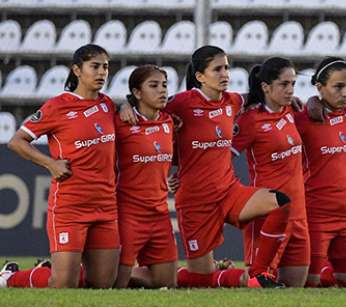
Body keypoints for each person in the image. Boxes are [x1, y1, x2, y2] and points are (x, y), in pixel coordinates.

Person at [120, 46, 288, 288]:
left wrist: (299, 102)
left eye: (227, 68)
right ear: (199, 76)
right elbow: (144, 105)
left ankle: (260, 275)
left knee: (280, 203)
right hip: (195, 201)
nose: (225, 74)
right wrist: (124, 105)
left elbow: (261, 96)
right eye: (217, 69)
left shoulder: (233, 101)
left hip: (229, 190)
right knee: (200, 280)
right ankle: (140, 273)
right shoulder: (180, 103)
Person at [7, 44, 119, 288]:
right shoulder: (57, 106)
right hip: (71, 205)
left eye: (106, 67)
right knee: (63, 284)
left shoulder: (108, 104)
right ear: (77, 70)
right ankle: (12, 278)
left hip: (106, 204)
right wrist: (50, 164)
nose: (102, 72)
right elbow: (17, 141)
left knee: (102, 284)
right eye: (95, 66)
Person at [233, 57, 309, 287]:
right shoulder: (249, 120)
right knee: (258, 283)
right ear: (266, 87)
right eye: (283, 84)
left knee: (295, 290)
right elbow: (219, 158)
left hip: (298, 216)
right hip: (268, 215)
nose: (290, 90)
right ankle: (215, 277)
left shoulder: (292, 111)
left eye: (293, 84)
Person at [294, 57, 346, 288]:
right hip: (317, 214)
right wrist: (312, 103)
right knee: (308, 282)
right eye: (338, 87)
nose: (345, 93)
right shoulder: (302, 119)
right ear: (319, 87)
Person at [113, 65, 178, 288]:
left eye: (164, 85)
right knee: (113, 285)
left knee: (167, 284)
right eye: (154, 86)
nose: (162, 91)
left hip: (159, 214)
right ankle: (40, 274)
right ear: (137, 93)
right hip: (129, 213)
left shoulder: (169, 121)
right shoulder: (121, 123)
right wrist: (122, 105)